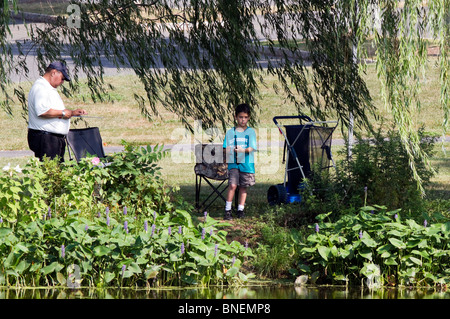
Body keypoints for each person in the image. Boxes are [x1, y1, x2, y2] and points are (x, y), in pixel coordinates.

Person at [27, 61, 88, 162]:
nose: (62, 82)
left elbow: (51, 110)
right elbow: (43, 111)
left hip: (52, 138)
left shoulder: (47, 88)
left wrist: (72, 113)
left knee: (57, 171)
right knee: (50, 171)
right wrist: (63, 113)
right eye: (62, 78)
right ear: (54, 72)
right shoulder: (41, 88)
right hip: (46, 138)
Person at [223, 103, 257, 220]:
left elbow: (252, 148)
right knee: (232, 185)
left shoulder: (251, 132)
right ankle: (228, 210)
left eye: (245, 117)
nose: (243, 120)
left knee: (243, 187)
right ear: (236, 117)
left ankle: (240, 210)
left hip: (246, 164)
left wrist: (243, 150)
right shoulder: (230, 132)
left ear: (249, 118)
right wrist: (230, 150)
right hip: (233, 163)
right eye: (241, 117)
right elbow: (225, 147)